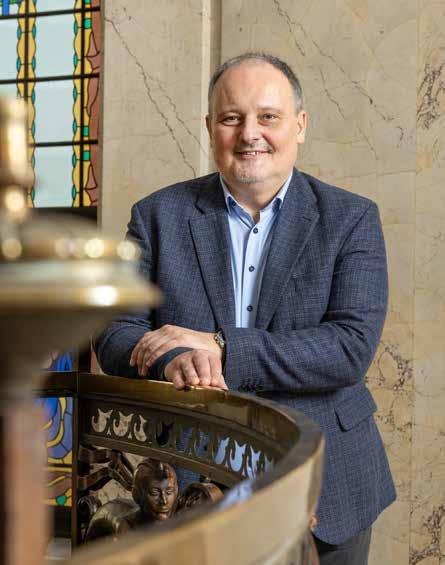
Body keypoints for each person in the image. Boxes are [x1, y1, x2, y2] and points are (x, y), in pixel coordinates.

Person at [94, 52, 396, 564]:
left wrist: (221, 347)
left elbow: (349, 348)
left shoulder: (351, 219)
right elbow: (114, 331)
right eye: (232, 118)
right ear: (210, 127)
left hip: (327, 481)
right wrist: (175, 361)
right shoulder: (157, 216)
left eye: (268, 117)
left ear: (300, 125)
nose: (249, 133)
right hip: (193, 482)